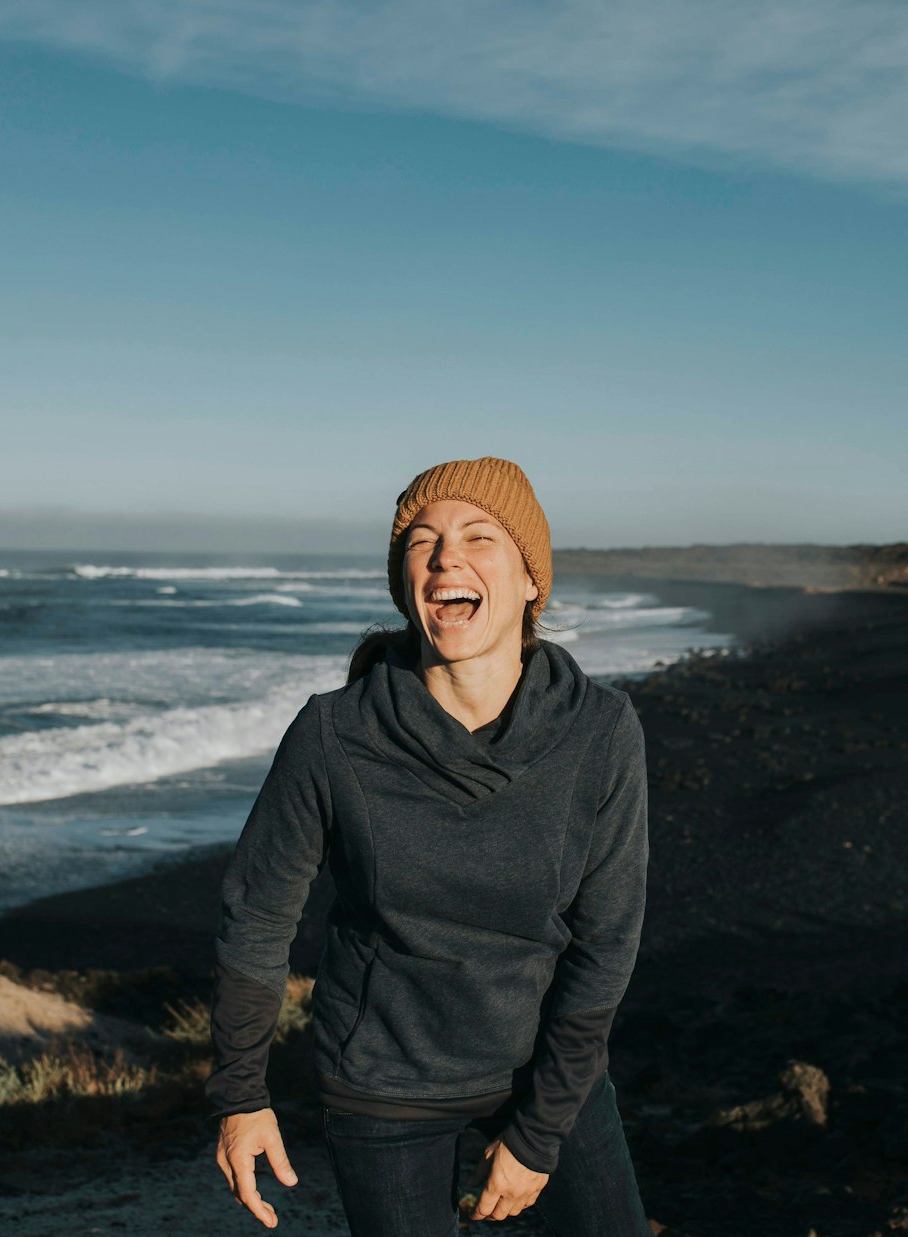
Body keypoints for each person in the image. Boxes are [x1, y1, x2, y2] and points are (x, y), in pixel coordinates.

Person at [206, 455, 652, 1235]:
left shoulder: (600, 732)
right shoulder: (334, 734)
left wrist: (540, 1133)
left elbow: (605, 946)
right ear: (405, 583)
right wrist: (242, 1094)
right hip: (384, 1080)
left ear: (529, 581)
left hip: (543, 1068)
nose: (447, 557)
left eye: (480, 537)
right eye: (423, 541)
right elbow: (257, 918)